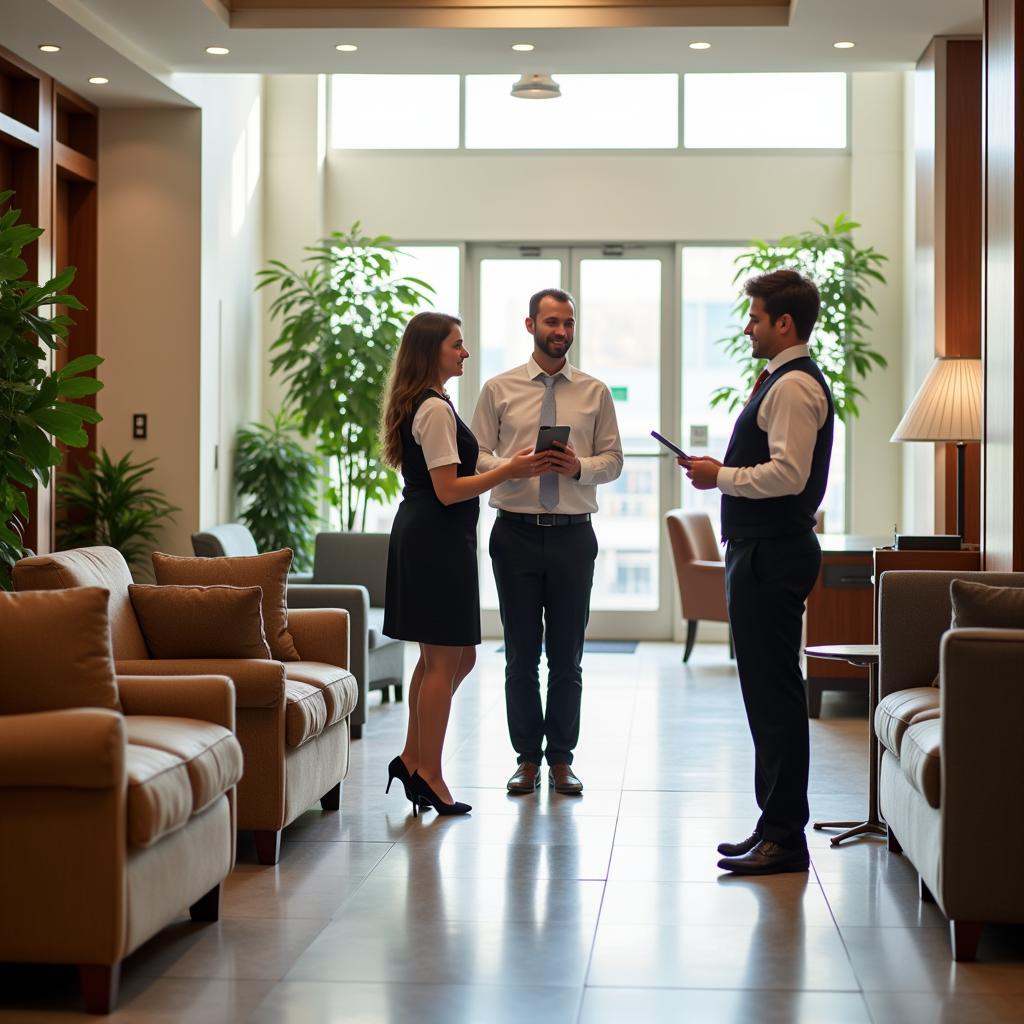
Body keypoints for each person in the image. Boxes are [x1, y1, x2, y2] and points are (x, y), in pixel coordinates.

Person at [680, 269, 834, 875]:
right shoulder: (782, 380)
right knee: (764, 695)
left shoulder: (794, 387)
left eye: (754, 316)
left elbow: (789, 475)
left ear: (784, 323)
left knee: (774, 697)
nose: (747, 326)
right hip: (760, 549)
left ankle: (785, 839)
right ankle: (772, 826)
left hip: (772, 552)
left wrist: (721, 476)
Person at [380, 311, 547, 816]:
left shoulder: (434, 404)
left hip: (436, 537)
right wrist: (509, 472)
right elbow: (449, 489)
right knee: (446, 658)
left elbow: (462, 466)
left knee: (449, 658)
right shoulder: (431, 408)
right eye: (457, 345)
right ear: (433, 350)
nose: (465, 353)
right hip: (435, 538)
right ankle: (428, 772)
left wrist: (507, 463)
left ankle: (412, 757)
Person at [471, 288, 623, 796]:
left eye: (569, 323)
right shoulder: (499, 388)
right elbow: (476, 459)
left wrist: (579, 466)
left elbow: (614, 460)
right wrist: (513, 465)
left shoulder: (595, 391)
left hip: (573, 538)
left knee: (567, 655)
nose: (561, 332)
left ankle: (561, 759)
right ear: (530, 324)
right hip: (513, 533)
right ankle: (526, 760)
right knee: (519, 654)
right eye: (552, 322)